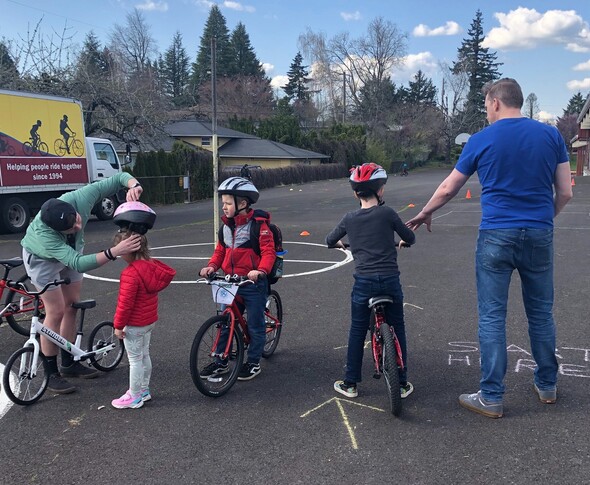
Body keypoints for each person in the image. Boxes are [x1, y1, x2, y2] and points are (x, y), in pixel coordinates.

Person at [406, 78, 573, 418]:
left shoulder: (481, 140)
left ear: (496, 102)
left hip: (496, 234)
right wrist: (544, 219)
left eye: (486, 104)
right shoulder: (551, 136)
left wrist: (425, 212)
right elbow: (565, 192)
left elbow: (449, 187)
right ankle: (547, 385)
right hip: (539, 233)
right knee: (541, 313)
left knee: (492, 316)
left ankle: (492, 396)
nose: (486, 110)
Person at [21, 173, 144, 394]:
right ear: (56, 230)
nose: (78, 226)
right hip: (43, 260)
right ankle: (51, 373)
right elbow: (77, 263)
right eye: (71, 228)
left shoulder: (80, 198)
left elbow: (119, 178)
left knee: (72, 306)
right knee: (55, 311)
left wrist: (134, 186)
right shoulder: (45, 236)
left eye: (77, 219)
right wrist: (114, 252)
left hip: (72, 250)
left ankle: (69, 363)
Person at [326, 163, 416, 399]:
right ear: (381, 190)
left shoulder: (349, 218)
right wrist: (400, 242)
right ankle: (403, 381)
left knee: (357, 330)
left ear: (356, 193)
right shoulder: (388, 214)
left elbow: (329, 240)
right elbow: (410, 237)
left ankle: (350, 383)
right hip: (389, 280)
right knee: (398, 327)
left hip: (364, 282)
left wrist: (342, 243)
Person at [199, 176, 275, 381]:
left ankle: (253, 362)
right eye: (222, 203)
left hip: (253, 283)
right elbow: (220, 252)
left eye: (228, 203)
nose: (223, 207)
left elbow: (269, 252)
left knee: (256, 325)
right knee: (225, 322)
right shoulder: (225, 227)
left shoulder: (259, 226)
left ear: (242, 204)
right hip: (231, 282)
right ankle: (220, 362)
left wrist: (260, 271)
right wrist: (211, 266)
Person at [110, 202, 176, 409]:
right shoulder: (150, 267)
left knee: (135, 360)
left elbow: (125, 304)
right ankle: (144, 390)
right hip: (148, 321)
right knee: (144, 355)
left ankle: (135, 395)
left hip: (135, 324)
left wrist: (118, 325)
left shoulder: (130, 273)